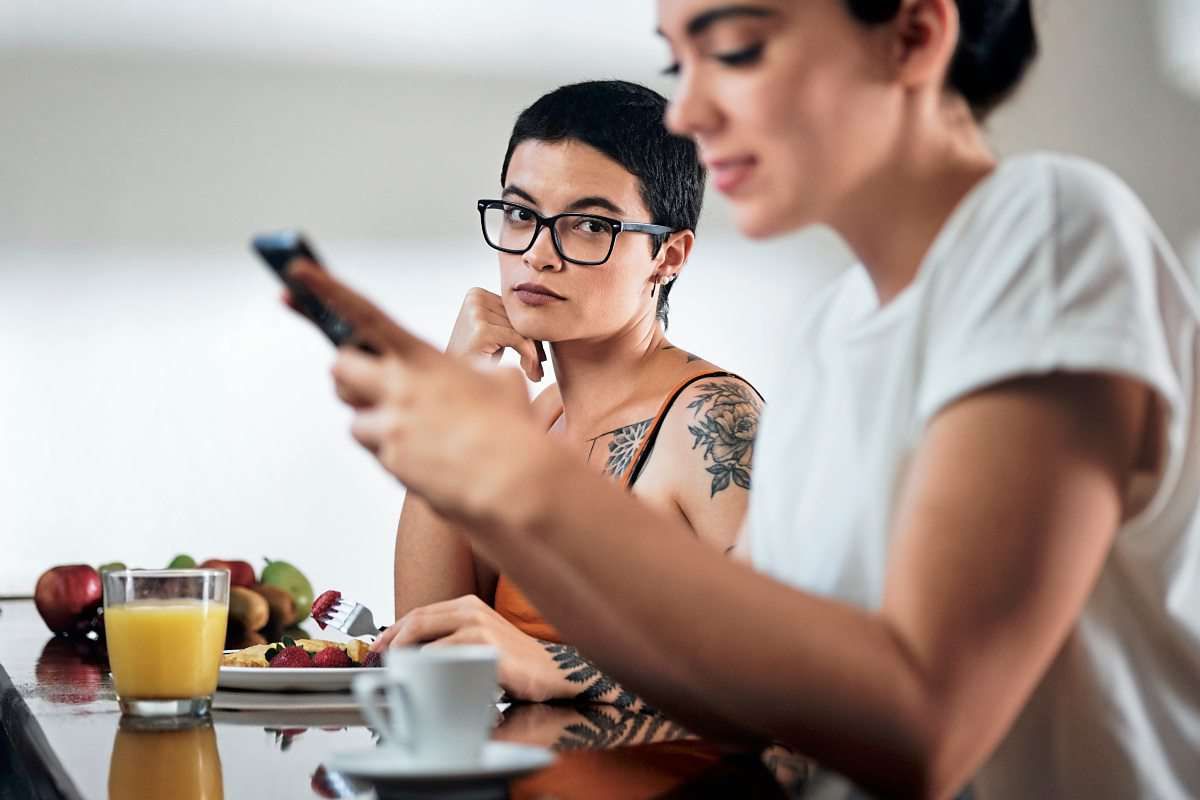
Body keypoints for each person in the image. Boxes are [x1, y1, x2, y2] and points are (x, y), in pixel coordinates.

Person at [291, 0, 1200, 796]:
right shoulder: (832, 331)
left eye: (732, 49)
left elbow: (928, 724)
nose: (687, 109)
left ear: (914, 35)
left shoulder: (1045, 227)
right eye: (675, 60)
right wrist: (459, 464)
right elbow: (749, 678)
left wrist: (515, 481)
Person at [372, 81, 763, 705]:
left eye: (588, 225)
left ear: (669, 255)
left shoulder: (709, 419)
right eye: (522, 214)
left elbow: (795, 671)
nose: (538, 252)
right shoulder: (541, 419)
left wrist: (558, 667)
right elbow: (432, 640)